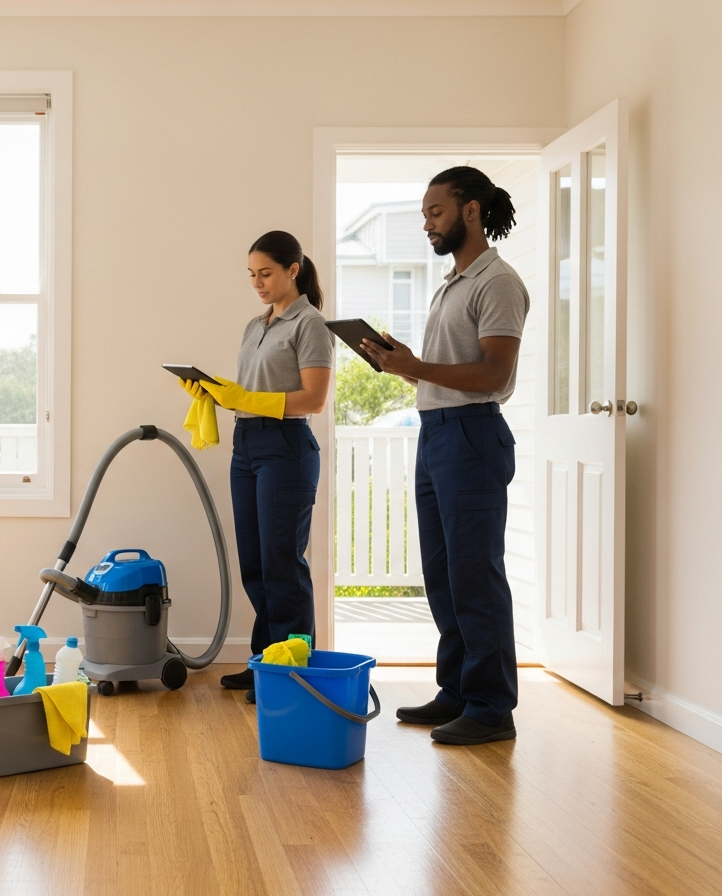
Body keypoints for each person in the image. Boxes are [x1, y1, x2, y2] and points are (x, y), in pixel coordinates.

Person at [359, 167, 528, 746]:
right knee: (443, 573)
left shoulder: (497, 282)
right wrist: (401, 364)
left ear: (471, 211)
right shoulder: (452, 283)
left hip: (472, 435)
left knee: (475, 573)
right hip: (437, 435)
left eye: (435, 212)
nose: (427, 224)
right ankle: (457, 688)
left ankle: (490, 707)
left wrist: (412, 367)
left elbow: (493, 372)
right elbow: (445, 372)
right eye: (424, 214)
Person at [183, 231, 333, 704]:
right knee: (255, 563)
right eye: (251, 274)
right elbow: (253, 389)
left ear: (293, 269)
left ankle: (292, 672)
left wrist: (244, 397)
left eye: (265, 273)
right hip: (246, 445)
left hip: (286, 449)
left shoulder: (311, 325)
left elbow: (314, 399)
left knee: (282, 563)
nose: (257, 283)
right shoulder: (256, 325)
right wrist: (216, 391)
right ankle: (267, 662)